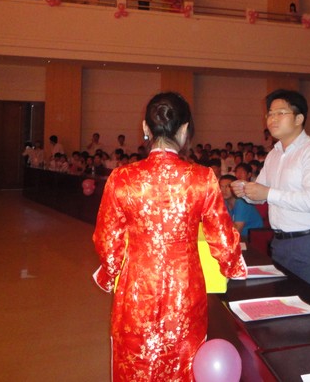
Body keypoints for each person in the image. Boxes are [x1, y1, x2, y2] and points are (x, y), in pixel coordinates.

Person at [92, 92, 246, 382]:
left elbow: (107, 240)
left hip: (137, 287)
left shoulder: (122, 178)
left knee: (136, 357)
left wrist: (110, 274)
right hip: (184, 289)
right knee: (182, 359)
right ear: (185, 130)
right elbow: (224, 240)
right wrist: (232, 266)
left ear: (145, 128)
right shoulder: (202, 178)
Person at [232, 89, 310, 294]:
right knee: (284, 301)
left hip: (309, 243)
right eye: (270, 114)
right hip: (280, 242)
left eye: (280, 113)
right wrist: (245, 190)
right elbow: (260, 196)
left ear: (299, 118)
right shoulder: (275, 154)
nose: (272, 119)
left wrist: (267, 193)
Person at [219, 174, 264, 239]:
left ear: (235, 188)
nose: (223, 190)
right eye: (221, 186)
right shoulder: (224, 202)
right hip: (240, 237)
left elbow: (237, 230)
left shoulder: (242, 202)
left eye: (228, 186)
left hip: (253, 239)